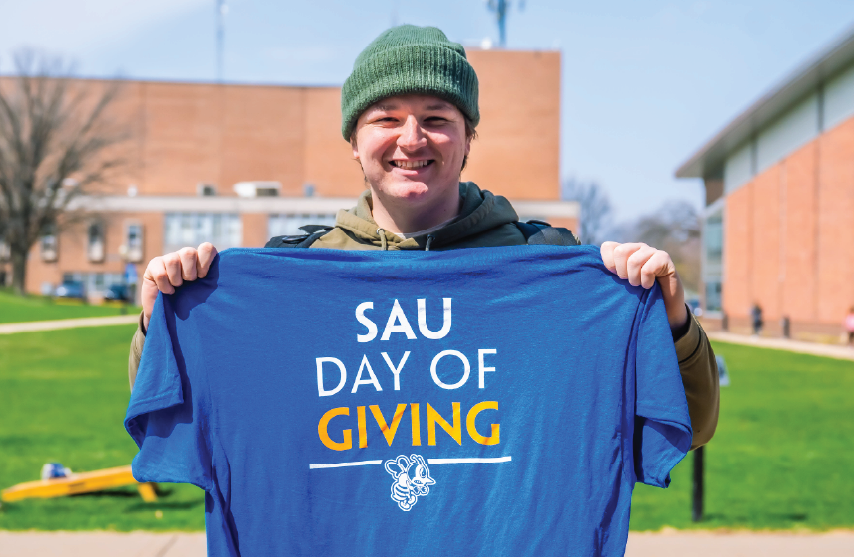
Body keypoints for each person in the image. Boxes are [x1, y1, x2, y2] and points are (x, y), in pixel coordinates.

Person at [127, 25, 718, 450]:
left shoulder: (552, 268)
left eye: (437, 118)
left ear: (467, 138)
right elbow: (179, 418)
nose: (412, 138)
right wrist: (165, 321)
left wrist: (669, 320)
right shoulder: (289, 277)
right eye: (385, 117)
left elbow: (685, 423)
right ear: (353, 142)